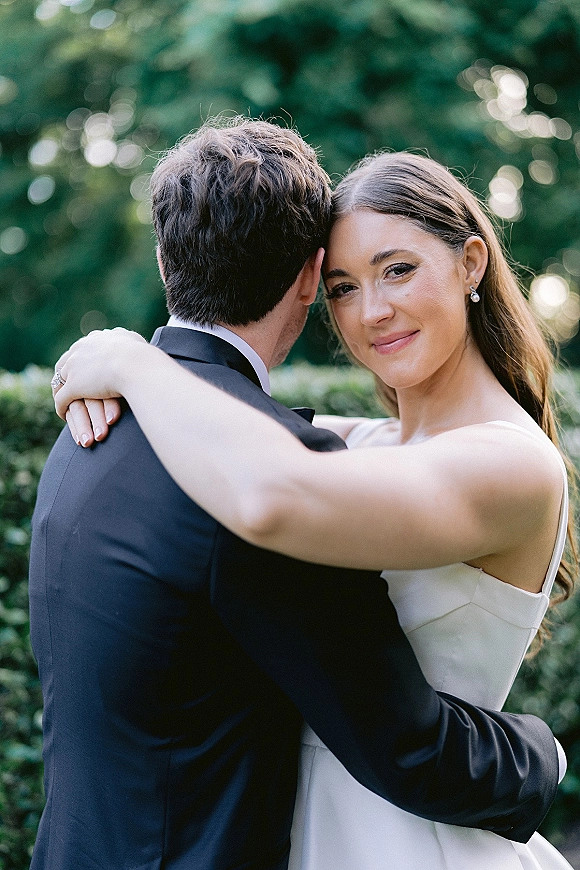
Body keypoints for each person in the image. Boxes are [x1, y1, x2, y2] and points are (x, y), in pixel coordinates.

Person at [39, 122, 567, 870]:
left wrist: (131, 358)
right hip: (293, 824)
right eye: (347, 287)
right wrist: (104, 363)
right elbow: (253, 435)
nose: (372, 310)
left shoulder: (513, 465)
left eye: (398, 270)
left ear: (470, 261)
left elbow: (275, 490)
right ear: (315, 283)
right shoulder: (361, 446)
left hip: (409, 832)